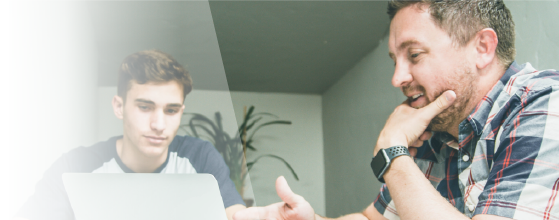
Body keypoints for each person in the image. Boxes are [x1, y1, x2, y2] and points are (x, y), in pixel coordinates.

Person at [234, 0, 559, 220]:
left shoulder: (545, 104)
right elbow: (373, 218)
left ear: (482, 48)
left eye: (414, 55)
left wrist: (391, 153)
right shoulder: (436, 126)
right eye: (395, 60)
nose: (397, 78)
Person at [14, 50, 246, 220]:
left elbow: (234, 214)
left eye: (171, 110)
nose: (158, 124)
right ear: (119, 106)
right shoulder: (75, 166)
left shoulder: (200, 157)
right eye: (145, 107)